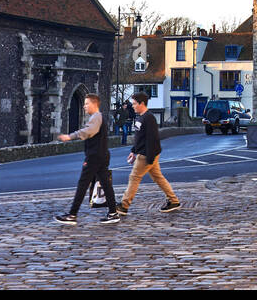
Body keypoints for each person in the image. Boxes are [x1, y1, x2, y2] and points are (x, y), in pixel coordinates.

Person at [54, 94, 121, 225]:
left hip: (94, 156)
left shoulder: (96, 117)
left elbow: (89, 131)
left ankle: (72, 214)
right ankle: (113, 213)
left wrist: (70, 136)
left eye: (86, 103)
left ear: (94, 104)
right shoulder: (97, 117)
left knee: (83, 184)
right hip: (101, 155)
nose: (84, 106)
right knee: (106, 185)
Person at [115, 92, 181, 215]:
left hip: (146, 154)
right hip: (145, 153)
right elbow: (140, 137)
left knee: (134, 178)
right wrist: (133, 151)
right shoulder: (141, 117)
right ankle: (173, 201)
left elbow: (152, 139)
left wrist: (149, 157)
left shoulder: (149, 118)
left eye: (135, 104)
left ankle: (124, 205)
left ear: (142, 104)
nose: (133, 106)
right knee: (158, 177)